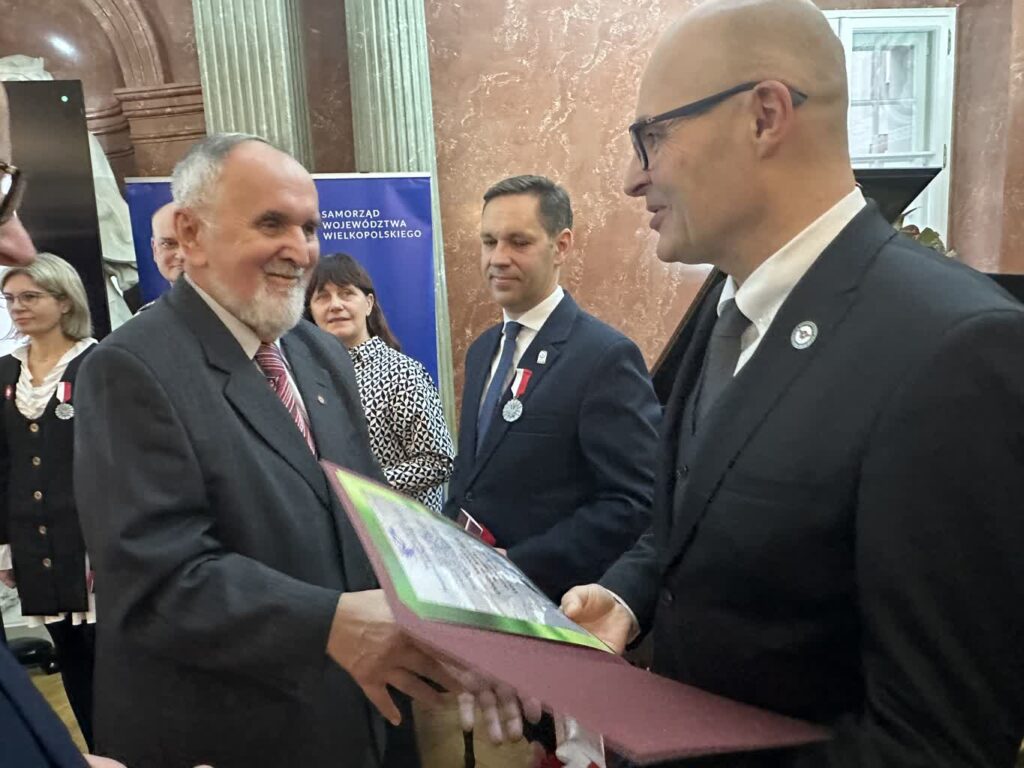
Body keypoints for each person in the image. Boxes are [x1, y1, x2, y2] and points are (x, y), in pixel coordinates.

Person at [560, 0, 1024, 765]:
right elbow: (711, 517)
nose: (630, 178)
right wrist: (629, 597)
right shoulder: (732, 307)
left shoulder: (955, 350)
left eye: (651, 137)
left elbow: (936, 742)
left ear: (764, 116)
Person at [73, 133, 464, 768]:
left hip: (353, 714)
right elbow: (159, 579)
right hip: (231, 729)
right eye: (272, 223)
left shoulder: (319, 354)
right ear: (192, 236)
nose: (300, 249)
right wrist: (329, 624)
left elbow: (363, 517)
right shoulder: (129, 369)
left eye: (309, 227)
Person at [438, 174, 659, 765]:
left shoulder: (603, 356)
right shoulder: (485, 347)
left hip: (567, 614)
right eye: (487, 242)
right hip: (492, 616)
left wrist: (521, 562)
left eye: (518, 241)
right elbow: (476, 473)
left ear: (561, 245)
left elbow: (634, 502)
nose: (497, 258)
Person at [0, 252, 98, 749]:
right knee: (71, 657)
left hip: (91, 541)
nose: (17, 307)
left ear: (63, 301)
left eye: (30, 297)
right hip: (34, 537)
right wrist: (3, 546)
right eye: (10, 299)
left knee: (108, 655)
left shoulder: (97, 364)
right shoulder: (3, 372)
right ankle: (95, 754)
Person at [306, 253, 454, 512]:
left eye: (346, 293)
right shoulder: (305, 377)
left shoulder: (401, 373)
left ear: (369, 303)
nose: (335, 305)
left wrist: (360, 489)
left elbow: (439, 461)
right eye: (322, 296)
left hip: (401, 535)